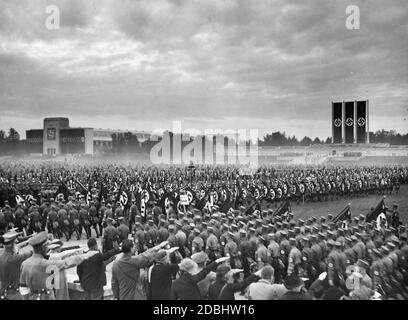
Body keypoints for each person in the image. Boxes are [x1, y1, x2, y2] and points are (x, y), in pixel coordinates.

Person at [0, 230, 32, 300]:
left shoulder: (1, 256)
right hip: (14, 294)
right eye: (15, 243)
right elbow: (29, 254)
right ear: (12, 245)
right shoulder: (15, 258)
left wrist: (26, 242)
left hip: (3, 291)